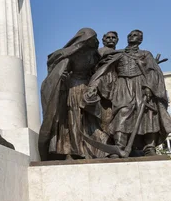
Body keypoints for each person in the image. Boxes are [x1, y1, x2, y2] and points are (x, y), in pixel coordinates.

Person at [87, 30, 171, 155]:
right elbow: (104, 71)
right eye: (130, 35)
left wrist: (149, 87)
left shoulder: (146, 54)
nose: (132, 37)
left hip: (142, 85)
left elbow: (153, 71)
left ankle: (149, 147)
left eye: (135, 35)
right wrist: (94, 86)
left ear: (141, 39)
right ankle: (119, 146)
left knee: (147, 114)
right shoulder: (118, 54)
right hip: (123, 86)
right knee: (122, 112)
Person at [39, 28, 103, 160]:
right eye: (93, 38)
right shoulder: (72, 54)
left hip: (89, 88)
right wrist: (62, 77)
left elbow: (97, 72)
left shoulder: (95, 55)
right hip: (73, 88)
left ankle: (91, 150)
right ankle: (73, 150)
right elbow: (60, 69)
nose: (96, 41)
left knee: (89, 121)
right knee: (73, 120)